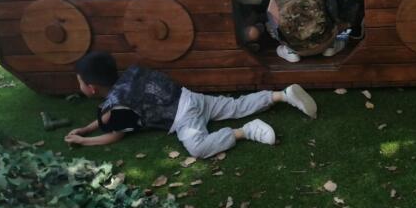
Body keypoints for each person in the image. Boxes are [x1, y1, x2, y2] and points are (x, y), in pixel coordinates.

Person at [64, 51, 318, 159]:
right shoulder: (131, 73)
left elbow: (114, 134)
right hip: (190, 98)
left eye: (79, 82)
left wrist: (84, 141)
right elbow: (107, 118)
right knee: (234, 106)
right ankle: (281, 95)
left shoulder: (118, 103)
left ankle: (246, 131)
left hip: (183, 118)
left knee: (198, 148)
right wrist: (86, 129)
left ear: (91, 88)